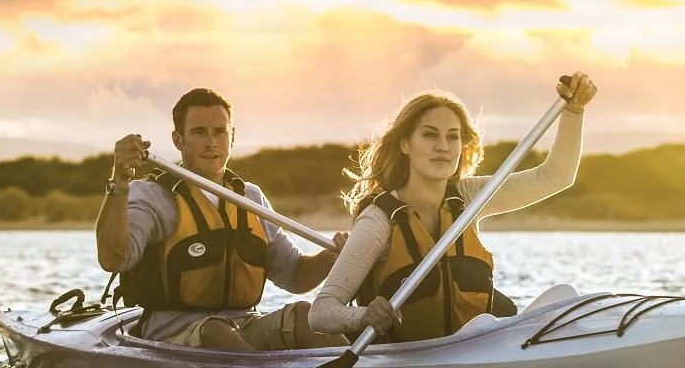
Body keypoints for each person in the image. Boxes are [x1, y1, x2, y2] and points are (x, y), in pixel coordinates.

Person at [309, 73, 597, 343]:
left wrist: (574, 112)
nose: (443, 147)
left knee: (564, 295)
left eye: (453, 137)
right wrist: (363, 316)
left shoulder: (470, 197)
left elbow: (555, 177)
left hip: (476, 344)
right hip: (411, 357)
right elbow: (320, 311)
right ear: (405, 144)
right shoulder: (378, 221)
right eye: (430, 135)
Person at [97, 87, 347, 351]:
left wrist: (330, 258)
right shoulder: (151, 196)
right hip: (173, 336)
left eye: (219, 131)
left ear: (232, 136)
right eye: (199, 132)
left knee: (306, 317)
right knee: (215, 330)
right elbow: (113, 259)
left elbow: (295, 276)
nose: (211, 143)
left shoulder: (251, 197)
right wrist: (120, 180)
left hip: (244, 327)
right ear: (178, 140)